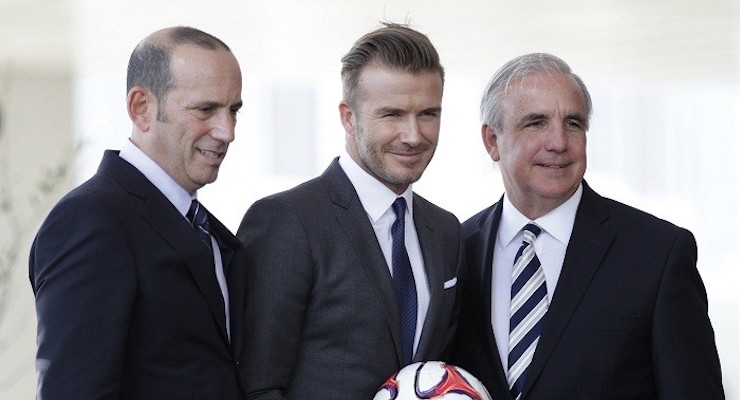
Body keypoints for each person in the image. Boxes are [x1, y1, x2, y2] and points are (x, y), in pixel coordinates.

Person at [452, 52, 724, 399]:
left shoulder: (657, 255)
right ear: (492, 140)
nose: (559, 143)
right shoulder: (455, 251)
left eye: (573, 123)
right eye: (536, 123)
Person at [236, 22, 464, 400]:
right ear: (348, 117)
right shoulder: (287, 221)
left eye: (428, 113)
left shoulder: (446, 231)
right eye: (391, 114)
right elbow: (256, 386)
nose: (413, 135)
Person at [29, 26, 246, 399]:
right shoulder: (90, 220)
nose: (227, 132)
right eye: (206, 109)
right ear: (141, 108)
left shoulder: (202, 228)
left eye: (233, 111)